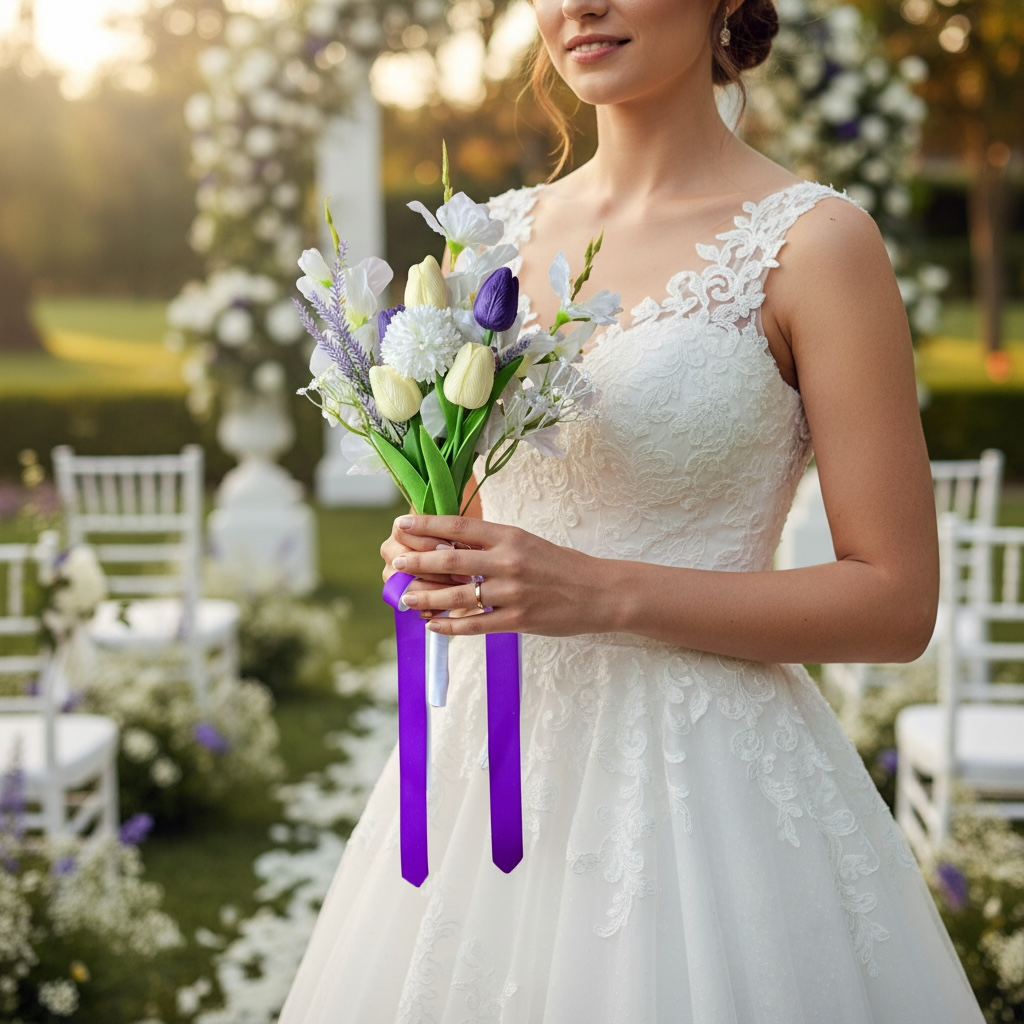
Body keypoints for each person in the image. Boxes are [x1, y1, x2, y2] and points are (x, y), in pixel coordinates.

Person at [280, 0, 986, 1019]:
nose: (579, 6)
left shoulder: (817, 244)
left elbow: (894, 603)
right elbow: (490, 518)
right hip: (492, 767)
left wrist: (597, 590)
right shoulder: (493, 240)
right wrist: (438, 546)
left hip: (710, 795)